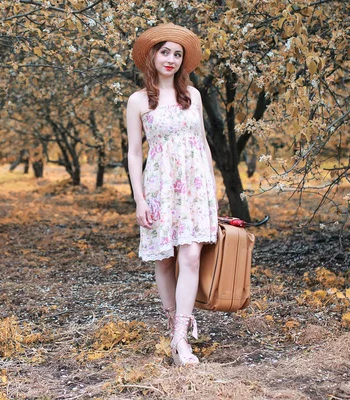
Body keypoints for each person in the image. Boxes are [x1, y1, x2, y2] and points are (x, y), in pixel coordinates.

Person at [126, 23, 218, 366]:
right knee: (164, 259)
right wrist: (140, 199)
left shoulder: (192, 96)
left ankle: (181, 338)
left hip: (195, 187)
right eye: (165, 52)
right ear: (152, 55)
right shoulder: (137, 101)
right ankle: (171, 324)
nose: (171, 59)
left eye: (177, 54)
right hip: (159, 188)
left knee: (190, 256)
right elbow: (135, 153)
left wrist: (212, 188)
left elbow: (203, 142)